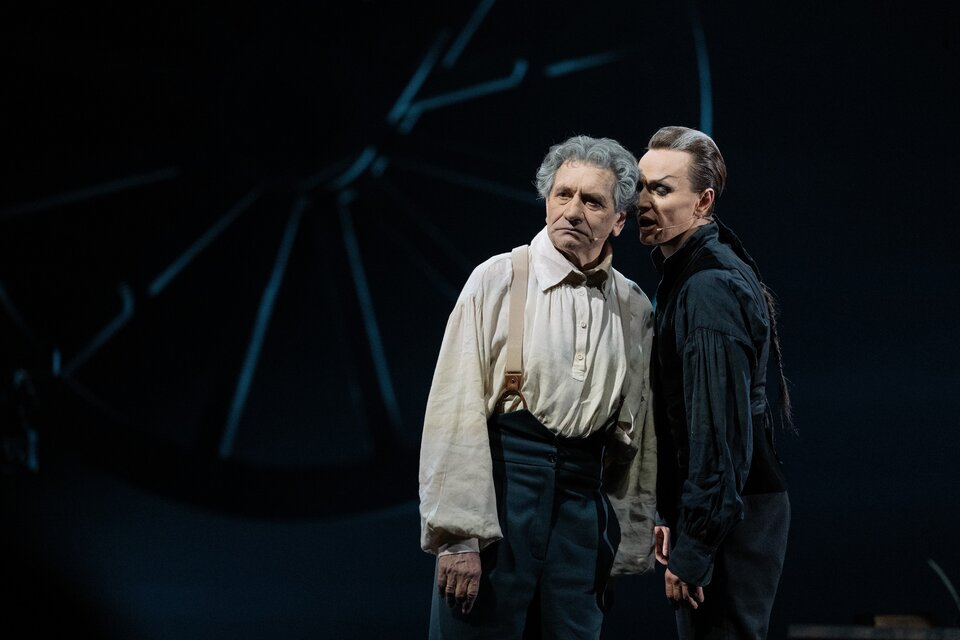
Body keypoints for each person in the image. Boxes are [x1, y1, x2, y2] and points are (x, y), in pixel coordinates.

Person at [418, 135, 658, 639]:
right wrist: (458, 537)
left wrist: (627, 536)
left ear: (619, 220)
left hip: (580, 510)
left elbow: (638, 437)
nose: (572, 211)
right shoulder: (498, 279)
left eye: (592, 201)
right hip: (503, 500)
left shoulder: (634, 306)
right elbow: (453, 411)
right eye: (562, 194)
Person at [634, 125, 793, 639]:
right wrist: (673, 512)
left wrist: (698, 543)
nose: (643, 202)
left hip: (732, 515)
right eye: (640, 187)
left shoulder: (707, 287)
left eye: (662, 190)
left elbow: (719, 435)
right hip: (726, 509)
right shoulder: (692, 272)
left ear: (703, 201)